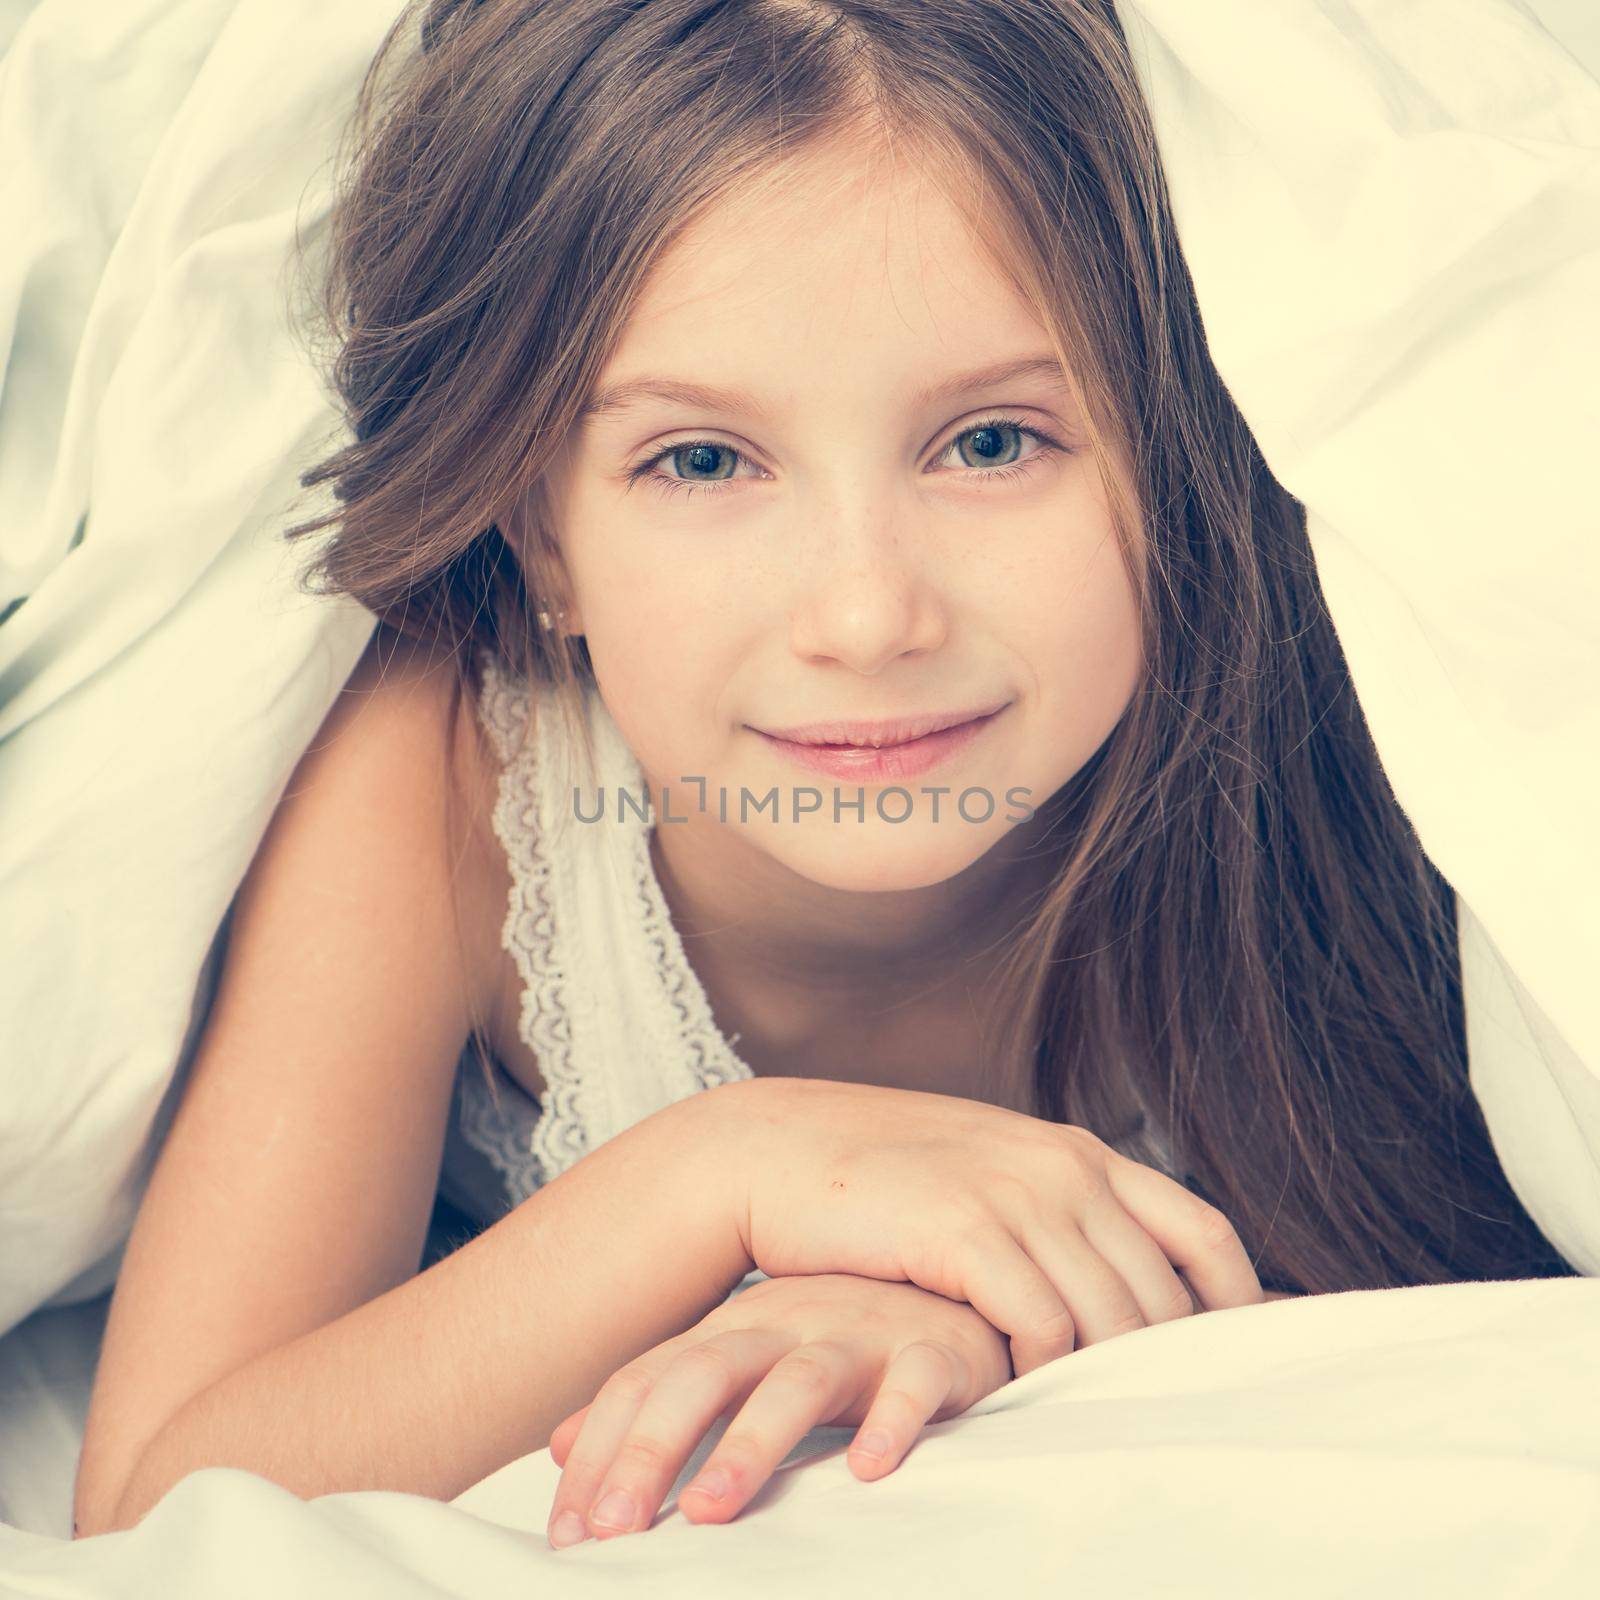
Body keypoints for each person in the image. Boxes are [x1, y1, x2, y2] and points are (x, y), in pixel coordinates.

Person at [72, 0, 1575, 1552]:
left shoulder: (1335, 735)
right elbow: (153, 1506)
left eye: (993, 442)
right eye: (703, 463)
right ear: (541, 537)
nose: (867, 617)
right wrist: (732, 1170)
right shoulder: (451, 781)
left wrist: (975, 1319)